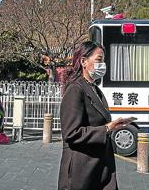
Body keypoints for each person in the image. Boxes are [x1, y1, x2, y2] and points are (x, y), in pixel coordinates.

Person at [58, 41, 127, 190]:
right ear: (83, 61)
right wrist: (106, 129)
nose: (102, 64)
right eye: (98, 60)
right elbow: (71, 133)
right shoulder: (75, 89)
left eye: (103, 60)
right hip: (82, 171)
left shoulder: (94, 88)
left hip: (100, 167)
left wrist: (112, 126)